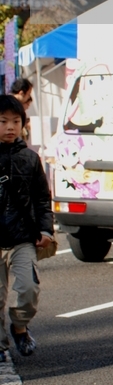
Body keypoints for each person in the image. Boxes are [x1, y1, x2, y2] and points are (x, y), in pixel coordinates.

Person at [0, 94, 53, 362]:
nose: (10, 127)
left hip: (23, 237)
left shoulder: (30, 159)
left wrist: (46, 230)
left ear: (23, 124)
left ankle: (20, 326)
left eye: (16, 121)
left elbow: (42, 198)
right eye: (3, 121)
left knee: (29, 290)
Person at [10, 78, 32, 142]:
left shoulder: (17, 105)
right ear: (21, 93)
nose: (29, 97)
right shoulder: (9, 105)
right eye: (28, 94)